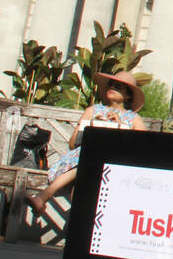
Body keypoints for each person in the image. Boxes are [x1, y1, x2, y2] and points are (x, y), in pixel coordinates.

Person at [27, 71, 147, 215]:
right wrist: (91, 126)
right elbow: (72, 145)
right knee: (86, 165)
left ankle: (43, 197)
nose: (112, 88)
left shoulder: (133, 118)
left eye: (118, 87)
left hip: (114, 166)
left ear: (127, 95)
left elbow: (141, 148)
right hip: (86, 162)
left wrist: (121, 126)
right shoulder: (93, 110)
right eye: (110, 85)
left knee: (87, 168)